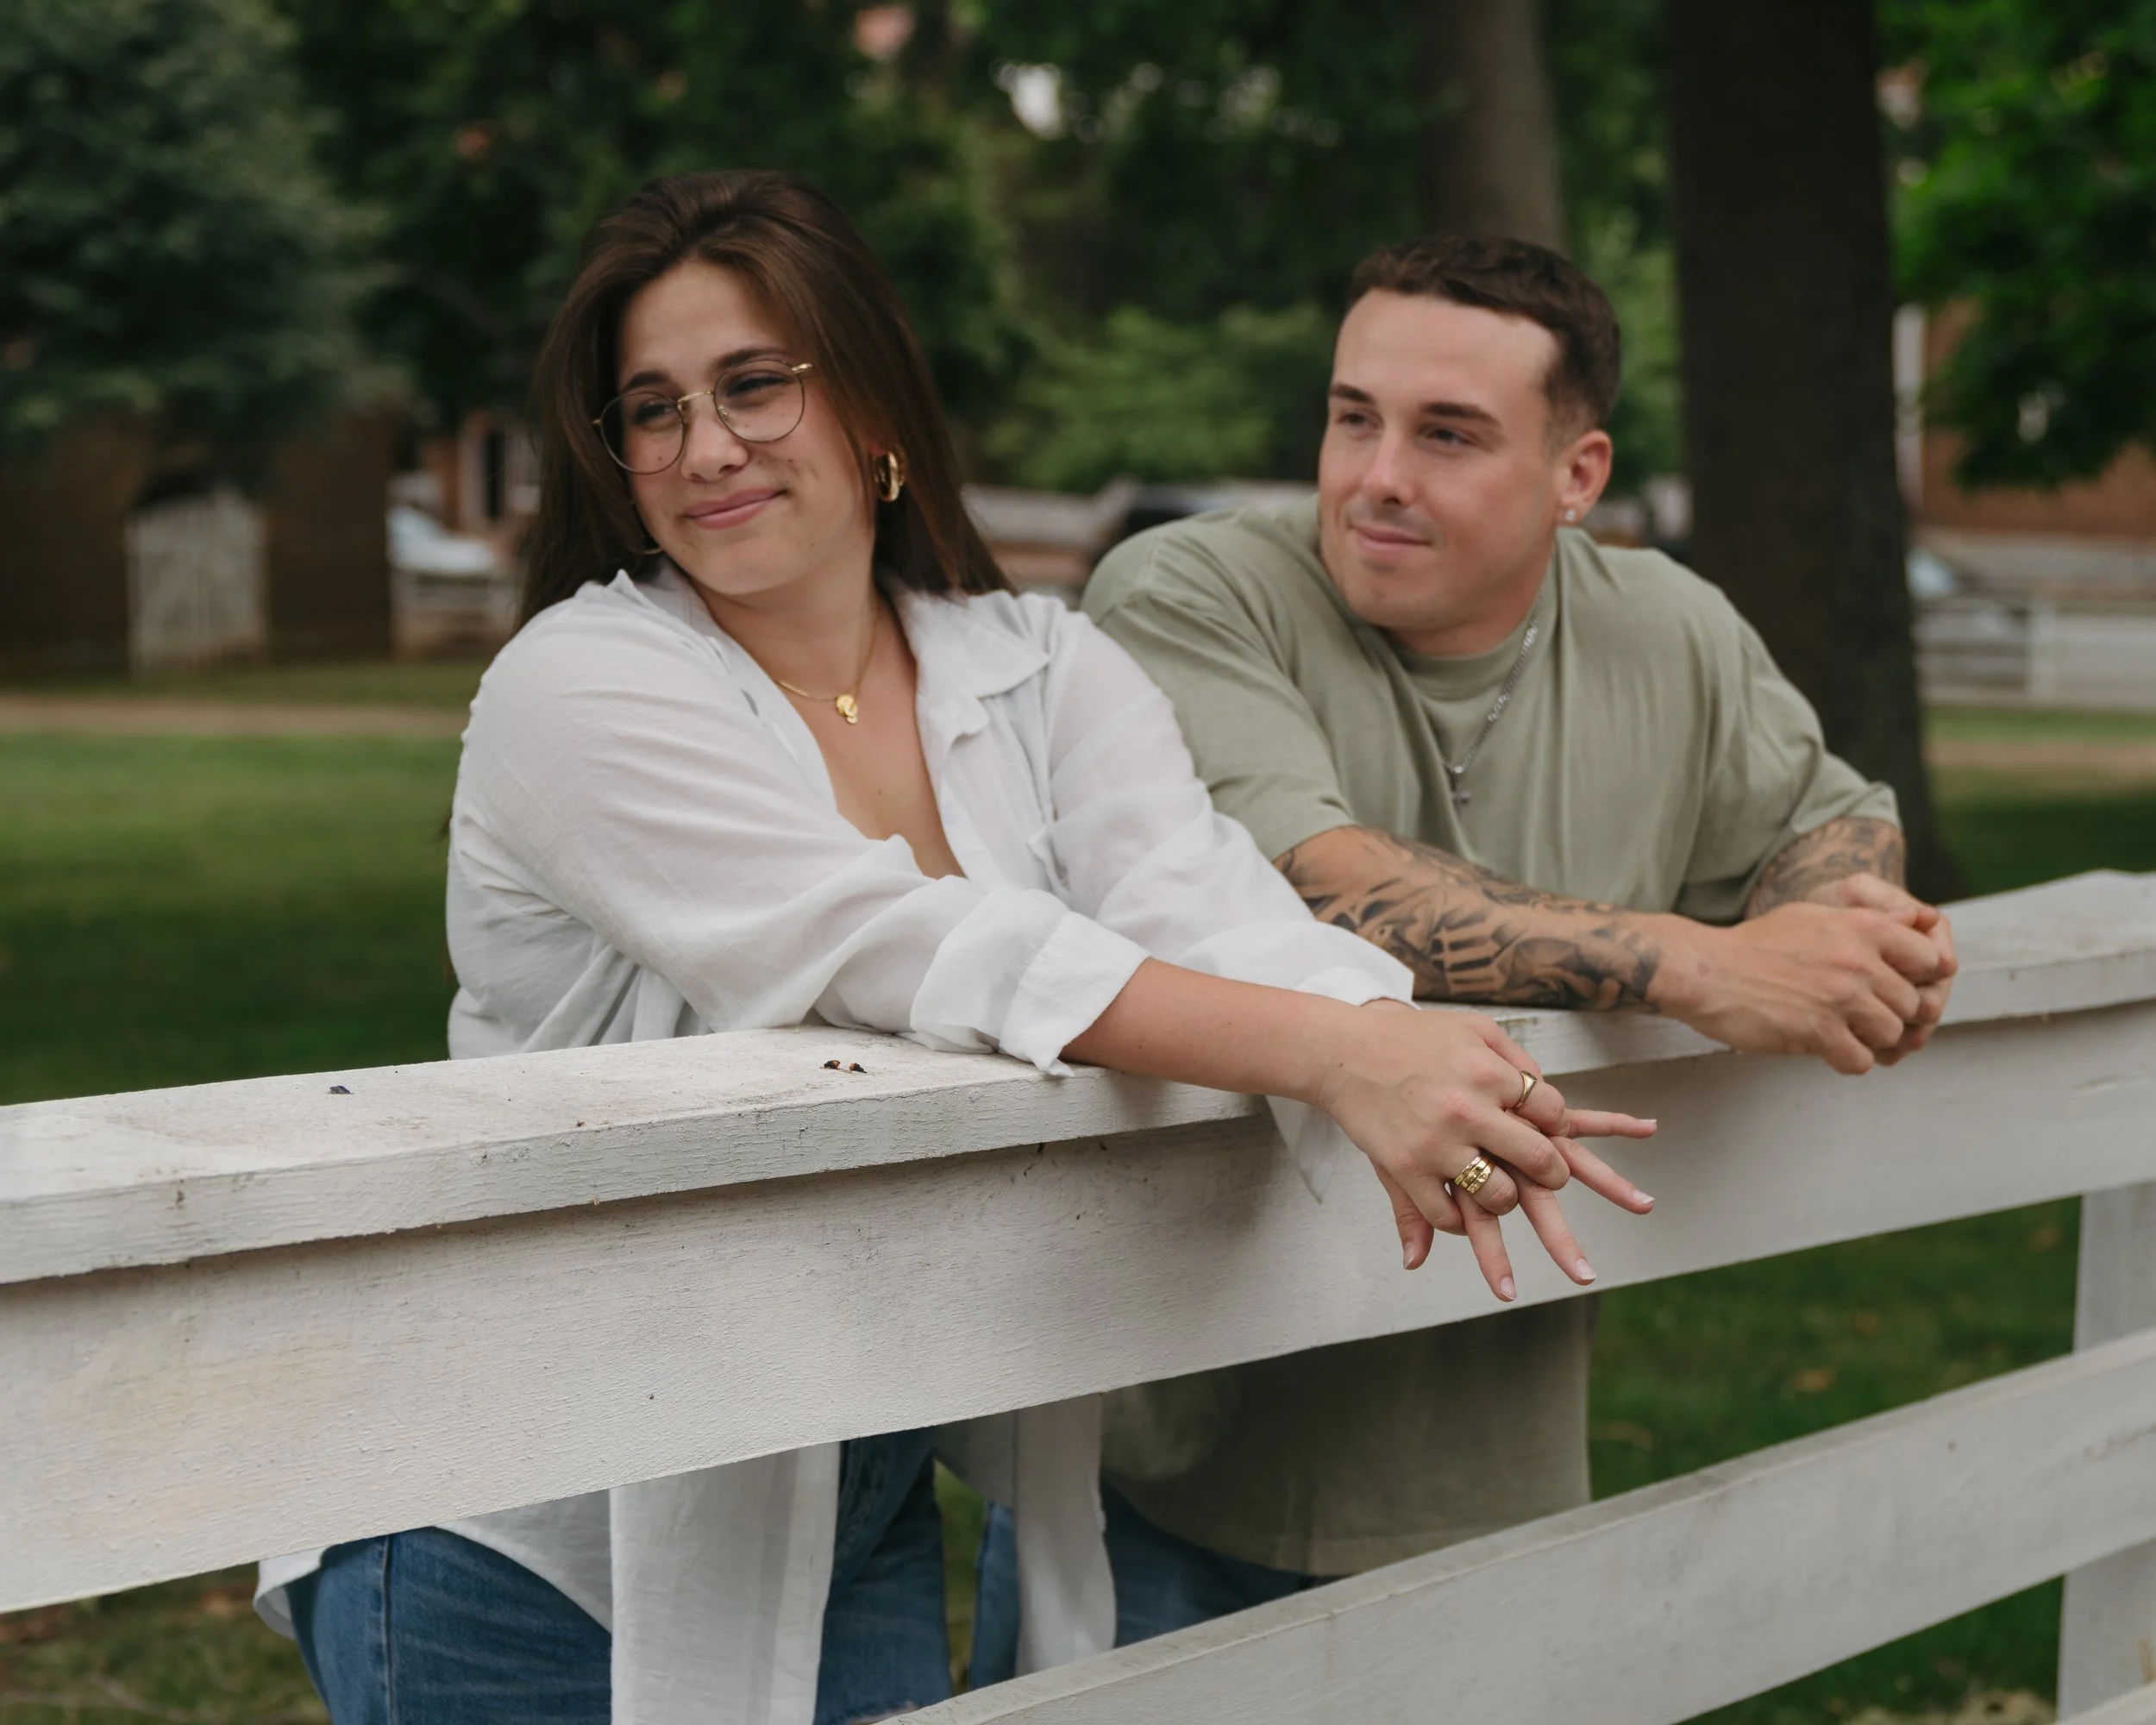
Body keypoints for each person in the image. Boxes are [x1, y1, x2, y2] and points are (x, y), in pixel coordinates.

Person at [250, 179, 1652, 1725]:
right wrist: (1345, 1057)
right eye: (651, 408)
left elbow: (1210, 905)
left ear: (869, 403)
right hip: (525, 1514)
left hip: (843, 1489)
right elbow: (917, 945)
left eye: (754, 383)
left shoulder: (1041, 666)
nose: (705, 444)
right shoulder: (577, 687)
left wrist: (1418, 1064)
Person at [968, 233, 1960, 1676]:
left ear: (1579, 475)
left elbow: (1830, 822)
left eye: (1448, 435)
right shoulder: (1188, 594)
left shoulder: (1668, 631)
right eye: (1352, 415)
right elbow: (1312, 892)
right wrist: (1698, 963)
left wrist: (1837, 921)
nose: (1377, 474)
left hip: (1491, 1469)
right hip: (1165, 1468)